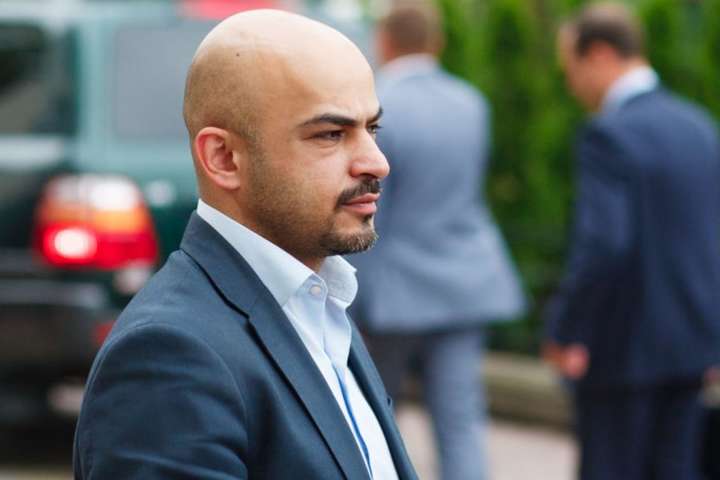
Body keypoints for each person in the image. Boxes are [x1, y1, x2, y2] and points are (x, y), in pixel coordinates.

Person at [73, 10, 419, 480]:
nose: (376, 162)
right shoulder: (170, 354)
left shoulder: (320, 306)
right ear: (224, 158)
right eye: (331, 134)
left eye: (371, 129)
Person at [543, 3, 720, 479]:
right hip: (692, 347)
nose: (571, 83)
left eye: (571, 68)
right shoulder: (699, 126)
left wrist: (566, 330)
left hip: (622, 349)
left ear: (599, 54)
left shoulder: (608, 134)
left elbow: (604, 244)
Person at [349, 4, 525, 479]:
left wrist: (350, 297)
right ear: (437, 42)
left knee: (375, 418)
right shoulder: (470, 102)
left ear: (384, 42)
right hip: (463, 284)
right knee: (461, 422)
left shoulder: (375, 107)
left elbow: (370, 209)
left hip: (394, 290)